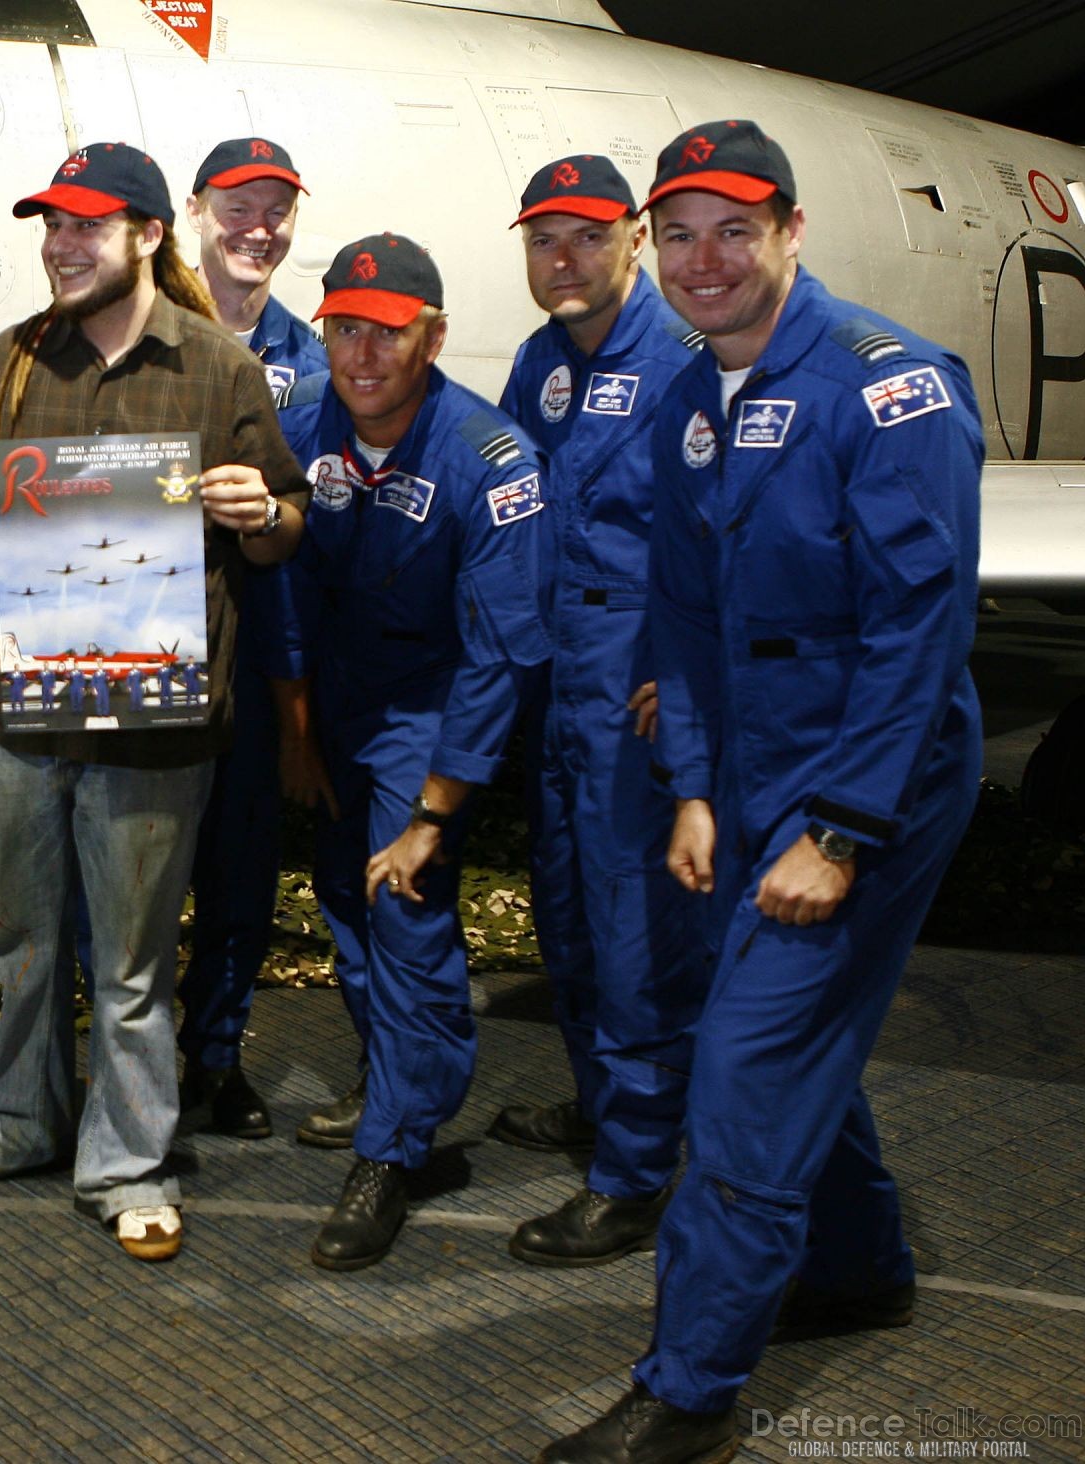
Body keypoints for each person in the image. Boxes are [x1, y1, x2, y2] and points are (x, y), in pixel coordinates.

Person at [539, 121, 983, 1463]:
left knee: (742, 1067)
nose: (703, 258)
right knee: (781, 1033)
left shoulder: (889, 389)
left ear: (793, 233)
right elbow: (683, 617)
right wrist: (691, 791)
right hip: (744, 774)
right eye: (678, 233)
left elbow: (923, 629)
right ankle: (857, 1269)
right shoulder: (688, 405)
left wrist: (840, 833)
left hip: (872, 773)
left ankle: (688, 1392)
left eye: (735, 228)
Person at [0, 142, 310, 1262]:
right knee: (20, 939)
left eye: (87, 226)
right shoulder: (5, 363)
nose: (61, 244)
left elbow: (288, 523)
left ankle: (128, 1162)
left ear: (147, 236)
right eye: (51, 225)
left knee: (133, 963)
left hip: (156, 725)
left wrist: (258, 512)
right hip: (25, 713)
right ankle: (16, 1123)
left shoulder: (216, 366)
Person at [270, 234, 551, 1270]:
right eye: (343, 327)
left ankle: (395, 1150)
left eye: (385, 332)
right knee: (343, 893)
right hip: (333, 698)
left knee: (405, 907)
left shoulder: (491, 461)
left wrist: (434, 810)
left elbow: (497, 653)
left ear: (429, 337)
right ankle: (395, 1070)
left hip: (429, 705)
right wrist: (296, 723)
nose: (360, 352)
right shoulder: (297, 431)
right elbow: (282, 589)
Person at [490, 155, 707, 1267]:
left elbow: (715, 534)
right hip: (558, 679)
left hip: (631, 685)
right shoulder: (540, 362)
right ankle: (595, 1108)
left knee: (633, 941)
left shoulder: (683, 364)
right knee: (566, 918)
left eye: (582, 236)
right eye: (541, 239)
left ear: (630, 239)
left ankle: (633, 1173)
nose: (560, 259)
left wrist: (678, 667)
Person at [175, 137, 330, 1139]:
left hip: (251, 639)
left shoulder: (306, 355)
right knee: (126, 877)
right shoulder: (136, 325)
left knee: (238, 875)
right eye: (237, 205)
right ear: (193, 212)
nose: (257, 227)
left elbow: (305, 516)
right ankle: (125, 1063)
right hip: (142, 637)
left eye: (275, 208)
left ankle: (215, 1061)